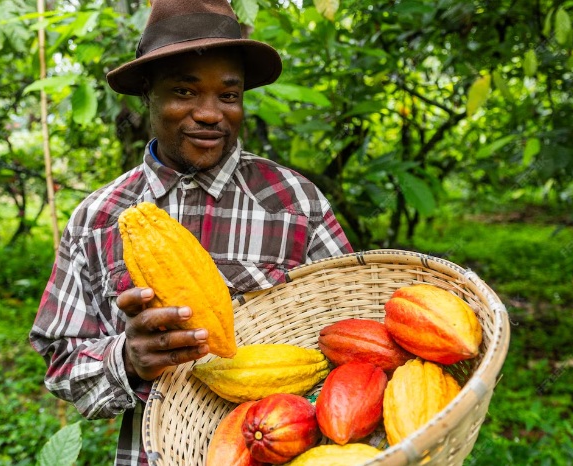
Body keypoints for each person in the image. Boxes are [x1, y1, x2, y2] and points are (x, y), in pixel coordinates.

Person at [29, 0, 352, 464]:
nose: (209, 113)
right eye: (184, 91)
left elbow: (354, 336)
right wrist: (127, 359)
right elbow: (61, 362)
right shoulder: (97, 218)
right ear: (147, 93)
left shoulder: (294, 202)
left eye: (228, 95)